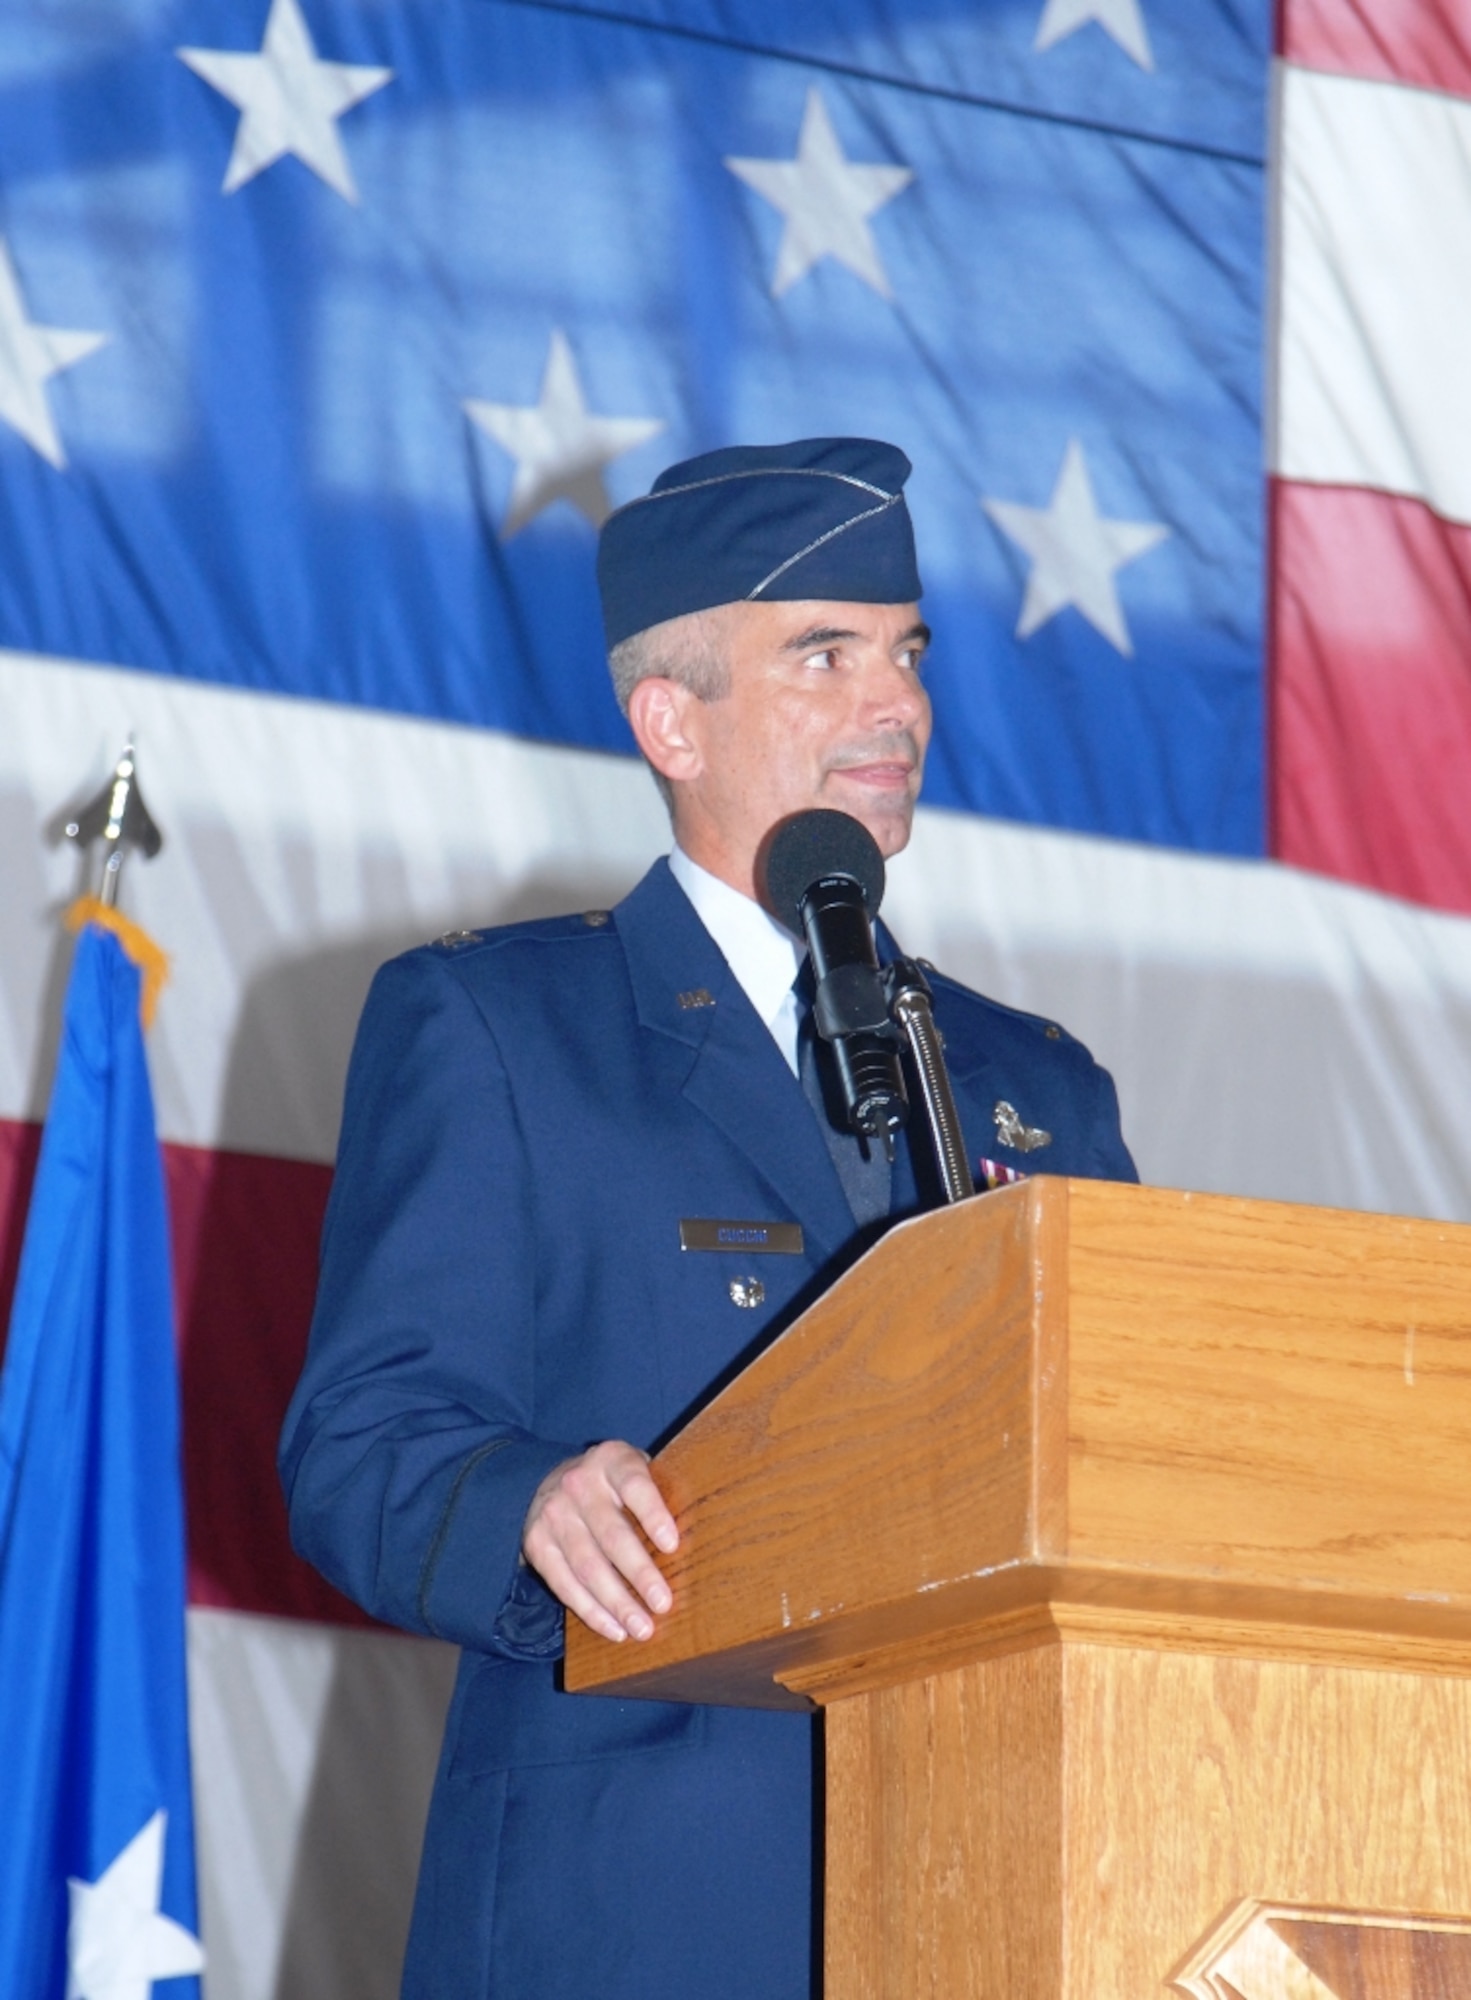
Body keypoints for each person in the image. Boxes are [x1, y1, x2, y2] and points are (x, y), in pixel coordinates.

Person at [279, 437, 1136, 1999]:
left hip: (998, 1886)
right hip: (637, 1907)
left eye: (906, 653)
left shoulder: (1037, 1085)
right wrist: (526, 1503)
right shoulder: (499, 1026)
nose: (899, 706)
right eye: (825, 654)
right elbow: (361, 1444)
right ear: (670, 720)